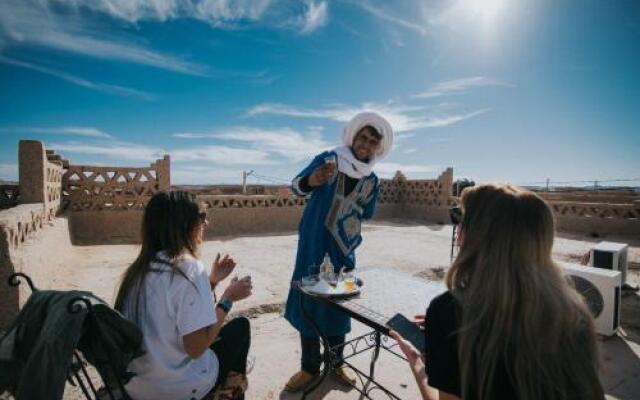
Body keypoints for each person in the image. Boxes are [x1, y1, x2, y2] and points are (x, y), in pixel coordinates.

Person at [391, 184, 605, 400]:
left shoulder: (448, 311)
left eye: (460, 219)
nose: (457, 229)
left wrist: (418, 363)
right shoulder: (572, 311)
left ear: (472, 235)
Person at [283, 112, 394, 391]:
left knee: (339, 304)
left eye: (372, 141)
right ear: (353, 137)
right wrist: (313, 180)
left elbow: (367, 212)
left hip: (343, 249)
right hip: (313, 243)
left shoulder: (372, 179)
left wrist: (347, 214)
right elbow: (296, 186)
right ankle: (309, 368)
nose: (365, 144)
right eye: (362, 137)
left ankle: (336, 364)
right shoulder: (329, 159)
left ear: (377, 148)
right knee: (310, 300)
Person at [114, 191, 253, 400]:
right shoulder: (189, 268)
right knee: (240, 328)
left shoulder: (138, 271)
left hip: (138, 384)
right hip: (177, 387)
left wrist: (212, 282)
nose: (206, 223)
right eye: (202, 217)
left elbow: (175, 311)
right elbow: (196, 348)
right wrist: (227, 300)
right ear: (185, 224)